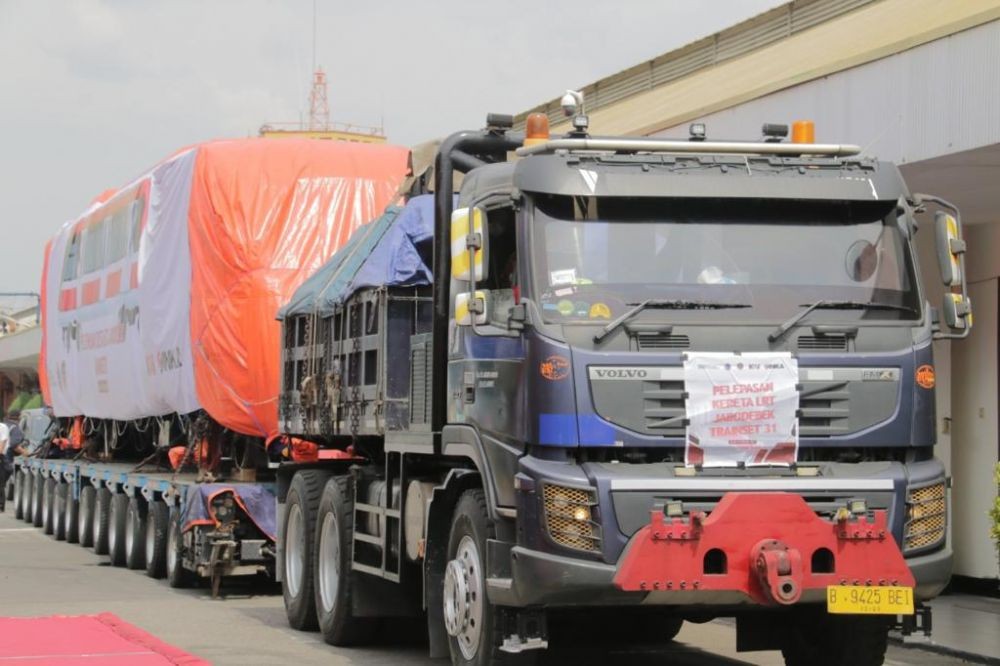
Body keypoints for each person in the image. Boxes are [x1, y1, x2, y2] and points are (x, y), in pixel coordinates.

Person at [0, 410, 26, 512]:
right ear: (19, 417)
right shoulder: (15, 428)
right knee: (1, 483)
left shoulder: (5, 425)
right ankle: (1, 505)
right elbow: (13, 445)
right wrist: (25, 452)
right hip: (4, 458)